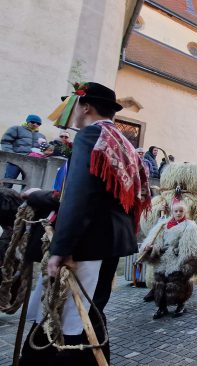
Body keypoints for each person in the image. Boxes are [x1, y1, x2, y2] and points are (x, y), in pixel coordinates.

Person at [19, 82, 150, 365]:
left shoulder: (92, 134)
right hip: (112, 242)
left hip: (86, 244)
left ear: (85, 106)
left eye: (75, 105)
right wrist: (43, 197)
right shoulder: (124, 141)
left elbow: (80, 194)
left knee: (68, 322)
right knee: (91, 314)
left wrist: (61, 247)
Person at [141, 201, 197, 319]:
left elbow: (194, 245)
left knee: (178, 283)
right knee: (160, 283)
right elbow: (155, 239)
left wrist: (184, 258)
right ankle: (162, 307)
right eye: (176, 211)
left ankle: (181, 305)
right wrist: (151, 248)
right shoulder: (163, 224)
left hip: (177, 258)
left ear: (185, 212)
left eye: (181, 211)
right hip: (163, 259)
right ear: (172, 211)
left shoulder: (189, 225)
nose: (178, 213)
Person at [1, 114, 46, 187]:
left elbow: (43, 149)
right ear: (27, 121)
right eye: (33, 122)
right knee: (8, 181)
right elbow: (6, 142)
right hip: (15, 160)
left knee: (28, 185)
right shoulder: (17, 129)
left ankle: (24, 198)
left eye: (38, 123)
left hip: (31, 162)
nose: (35, 124)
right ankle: (3, 197)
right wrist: (11, 155)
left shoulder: (41, 136)